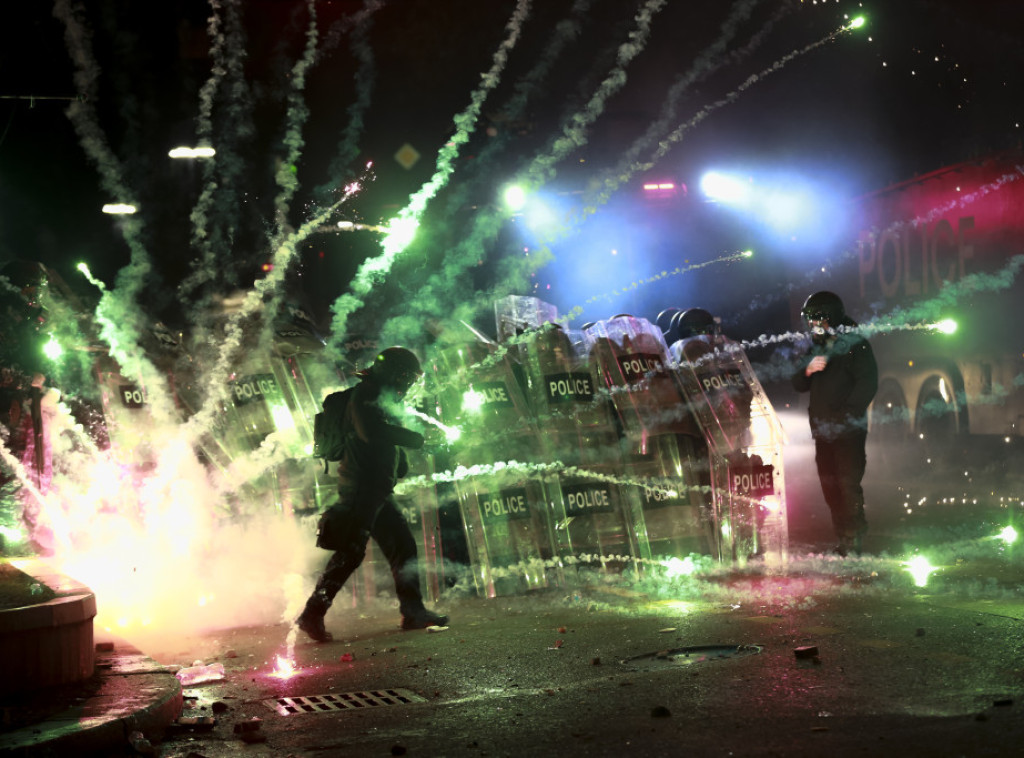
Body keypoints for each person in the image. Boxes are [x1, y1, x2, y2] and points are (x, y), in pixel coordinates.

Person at [296, 347, 448, 643]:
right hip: (361, 488)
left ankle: (413, 611)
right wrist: (416, 439)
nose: (408, 383)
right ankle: (312, 613)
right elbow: (370, 432)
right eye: (406, 376)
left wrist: (400, 461)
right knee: (350, 552)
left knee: (402, 546)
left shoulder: (379, 396)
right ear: (394, 373)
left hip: (374, 489)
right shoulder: (366, 393)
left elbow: (380, 437)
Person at [791, 291, 878, 556]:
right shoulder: (818, 344)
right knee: (830, 487)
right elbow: (797, 383)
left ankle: (853, 540)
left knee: (847, 484)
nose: (812, 325)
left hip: (847, 431)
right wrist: (808, 369)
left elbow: (868, 382)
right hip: (823, 430)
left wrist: (846, 415)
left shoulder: (854, 343)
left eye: (816, 320)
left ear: (830, 317)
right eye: (809, 320)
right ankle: (843, 539)